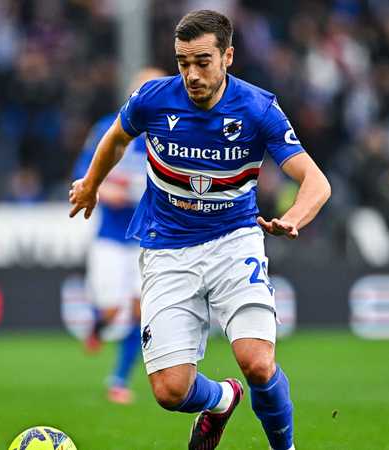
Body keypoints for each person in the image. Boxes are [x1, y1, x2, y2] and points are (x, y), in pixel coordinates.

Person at [69, 10, 330, 450]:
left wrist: (293, 218)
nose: (191, 74)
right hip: (168, 248)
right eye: (183, 62)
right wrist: (91, 185)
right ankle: (222, 399)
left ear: (228, 56)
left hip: (234, 241)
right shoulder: (152, 99)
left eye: (202, 61)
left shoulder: (258, 108)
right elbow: (115, 138)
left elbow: (316, 182)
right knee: (170, 391)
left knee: (257, 362)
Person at [73, 68, 165, 404]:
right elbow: (84, 177)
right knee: (112, 311)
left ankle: (119, 379)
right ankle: (98, 327)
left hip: (146, 238)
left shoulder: (168, 135)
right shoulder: (107, 129)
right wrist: (112, 191)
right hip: (111, 237)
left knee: (142, 309)